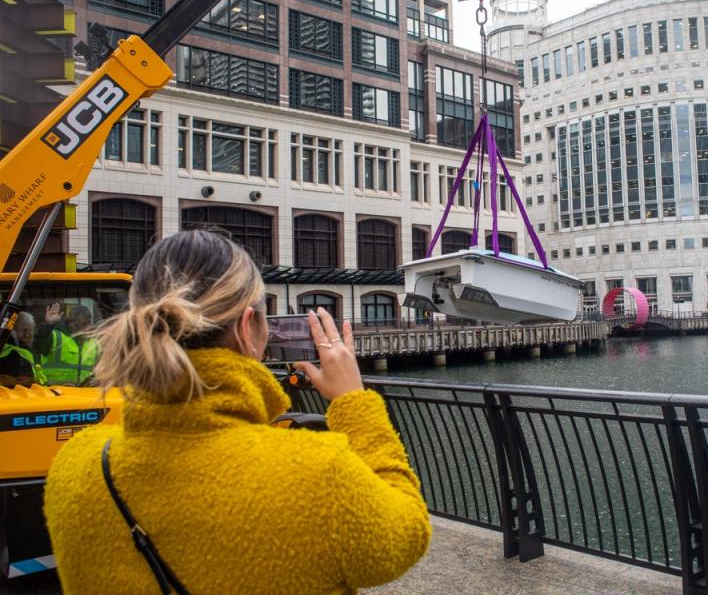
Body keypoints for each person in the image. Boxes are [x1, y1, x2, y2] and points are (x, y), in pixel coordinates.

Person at [44, 230, 431, 594]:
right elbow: (408, 531)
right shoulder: (318, 473)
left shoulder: (75, 466)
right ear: (248, 328)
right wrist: (353, 402)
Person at [34, 302, 98, 385]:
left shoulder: (94, 344)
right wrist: (48, 325)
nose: (88, 327)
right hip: (54, 394)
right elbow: (38, 346)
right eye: (84, 324)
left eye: (89, 323)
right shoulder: (55, 337)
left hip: (84, 395)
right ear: (72, 323)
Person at [0, 312, 45, 385]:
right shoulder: (10, 352)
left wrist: (32, 381)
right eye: (23, 330)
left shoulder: (33, 350)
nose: (27, 334)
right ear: (14, 331)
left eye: (30, 330)